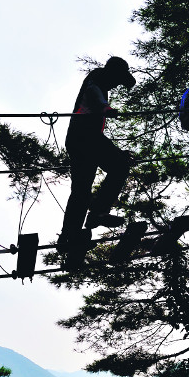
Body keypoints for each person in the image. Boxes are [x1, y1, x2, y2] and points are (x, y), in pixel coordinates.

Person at [57, 56, 136, 256]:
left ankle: (68, 236)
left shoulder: (103, 81)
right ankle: (98, 212)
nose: (116, 85)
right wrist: (105, 108)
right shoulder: (98, 77)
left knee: (81, 191)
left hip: (80, 138)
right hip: (85, 136)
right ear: (112, 73)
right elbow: (94, 93)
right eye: (117, 80)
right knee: (120, 165)